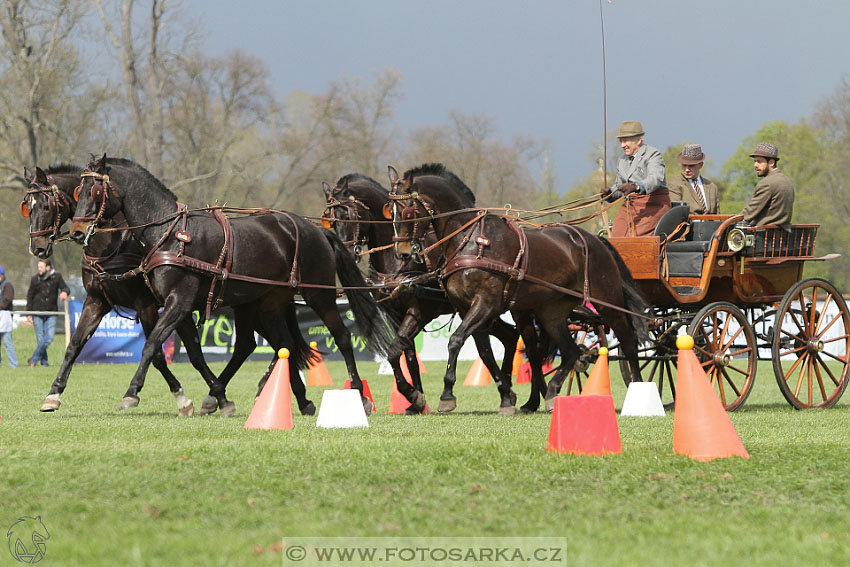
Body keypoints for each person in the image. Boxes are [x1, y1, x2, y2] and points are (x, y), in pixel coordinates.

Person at [602, 120, 671, 236]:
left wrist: (636, 186)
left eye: (625, 141)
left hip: (653, 205)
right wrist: (610, 193)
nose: (622, 145)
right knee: (616, 235)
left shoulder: (653, 154)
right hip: (631, 206)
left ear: (638, 140)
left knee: (635, 237)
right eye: (621, 141)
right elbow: (620, 186)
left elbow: (655, 179)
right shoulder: (622, 160)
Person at [26, 258, 69, 367]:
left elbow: (66, 288)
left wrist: (64, 292)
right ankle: (44, 364)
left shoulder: (57, 277)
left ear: (48, 267)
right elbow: (30, 296)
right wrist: (29, 313)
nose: (39, 269)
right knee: (40, 339)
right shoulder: (35, 279)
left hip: (51, 312)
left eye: (41, 267)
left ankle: (34, 359)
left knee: (49, 337)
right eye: (38, 267)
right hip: (37, 312)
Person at [740, 142, 794, 230]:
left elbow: (749, 212)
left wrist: (728, 222)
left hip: (764, 237)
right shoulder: (787, 181)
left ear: (771, 162)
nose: (755, 165)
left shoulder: (767, 183)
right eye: (755, 161)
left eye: (759, 161)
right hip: (783, 236)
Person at [667, 143, 719, 214]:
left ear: (700, 165)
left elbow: (718, 216)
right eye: (684, 165)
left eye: (691, 166)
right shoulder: (674, 184)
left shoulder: (712, 187)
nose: (687, 169)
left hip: (711, 224)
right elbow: (676, 212)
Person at [0, 265, 18, 368]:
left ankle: (13, 364)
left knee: (8, 343)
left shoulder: (7, 285)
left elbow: (8, 299)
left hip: (5, 317)